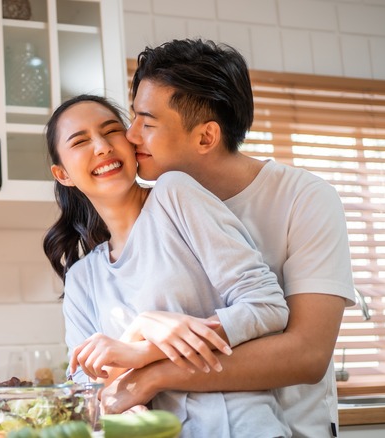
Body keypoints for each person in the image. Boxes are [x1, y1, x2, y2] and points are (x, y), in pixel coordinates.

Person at [100, 38, 355, 438]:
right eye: (134, 118)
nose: (130, 136)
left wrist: (155, 374)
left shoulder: (305, 198)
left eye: (147, 123)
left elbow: (307, 354)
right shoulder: (150, 210)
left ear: (205, 137)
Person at [42, 94, 291, 437]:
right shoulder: (83, 279)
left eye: (111, 131)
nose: (101, 147)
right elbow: (91, 399)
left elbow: (267, 307)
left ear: (131, 142)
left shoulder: (174, 195)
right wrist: (138, 331)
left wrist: (144, 350)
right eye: (81, 141)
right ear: (63, 174)